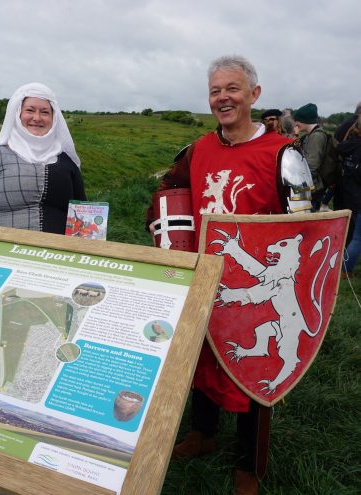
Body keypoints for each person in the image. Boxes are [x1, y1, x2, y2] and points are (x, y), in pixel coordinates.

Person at [146, 55, 312, 495]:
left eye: (233, 88)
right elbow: (168, 193)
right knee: (199, 359)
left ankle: (247, 462)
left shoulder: (282, 155)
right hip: (204, 277)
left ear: (254, 95)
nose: (224, 98)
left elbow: (304, 228)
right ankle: (203, 433)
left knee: (256, 366)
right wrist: (163, 233)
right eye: (216, 90)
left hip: (257, 284)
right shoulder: (198, 150)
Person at [0, 82, 86, 233]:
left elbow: (82, 214)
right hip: (5, 254)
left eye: (45, 112)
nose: (37, 118)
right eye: (30, 110)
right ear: (17, 113)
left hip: (58, 254)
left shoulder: (67, 162)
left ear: (54, 118)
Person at [334, 102, 361, 277]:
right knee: (357, 237)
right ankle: (344, 269)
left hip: (348, 191)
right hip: (357, 193)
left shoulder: (349, 144)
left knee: (353, 233)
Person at [293, 103, 328, 211]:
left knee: (304, 217)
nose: (295, 123)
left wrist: (299, 187)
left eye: (297, 120)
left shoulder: (316, 137)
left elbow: (311, 166)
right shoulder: (310, 135)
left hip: (311, 188)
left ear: (305, 121)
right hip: (309, 186)